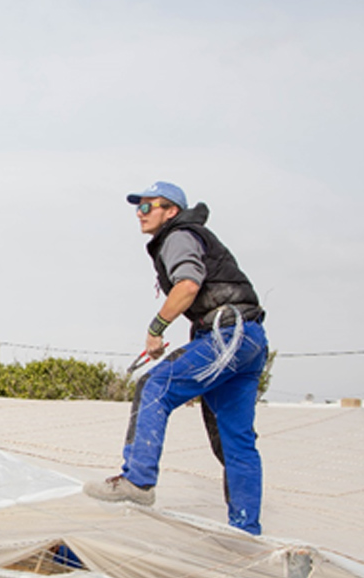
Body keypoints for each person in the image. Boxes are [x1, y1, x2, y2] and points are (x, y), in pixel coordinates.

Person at [82, 181, 269, 535]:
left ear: (171, 211)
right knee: (236, 439)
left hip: (228, 335)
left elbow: (187, 285)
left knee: (155, 385)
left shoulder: (178, 235)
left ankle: (138, 480)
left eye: (147, 206)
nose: (140, 213)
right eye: (137, 207)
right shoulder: (188, 235)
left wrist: (156, 329)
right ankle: (246, 532)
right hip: (249, 338)